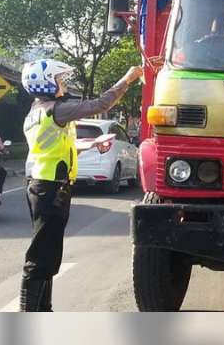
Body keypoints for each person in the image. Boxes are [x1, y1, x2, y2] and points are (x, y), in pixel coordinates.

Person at [19, 58, 143, 312]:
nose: (63, 84)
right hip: (50, 187)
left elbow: (54, 148)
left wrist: (90, 145)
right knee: (42, 255)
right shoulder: (58, 109)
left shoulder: (37, 112)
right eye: (59, 80)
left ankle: (43, 310)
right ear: (46, 84)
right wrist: (127, 79)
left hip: (43, 184)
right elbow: (101, 104)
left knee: (48, 252)